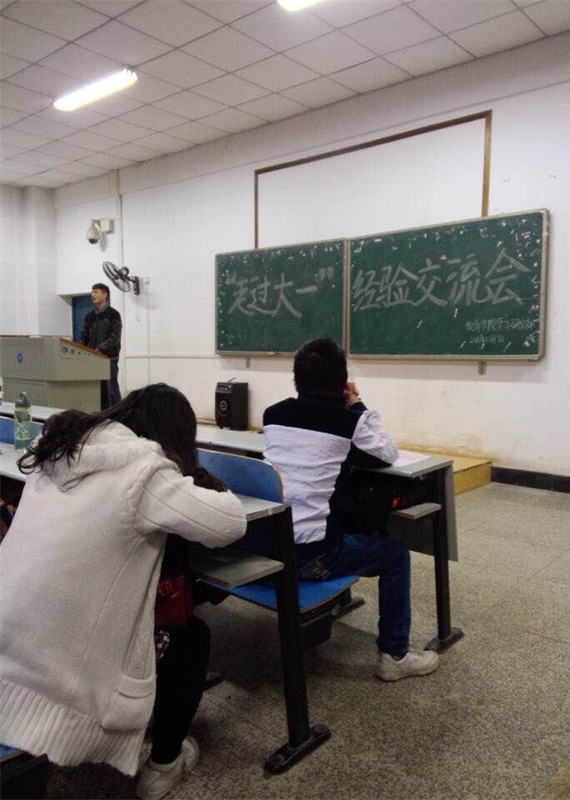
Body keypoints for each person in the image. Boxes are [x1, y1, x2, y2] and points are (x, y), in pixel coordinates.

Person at [0, 383, 247, 799]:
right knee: (189, 640)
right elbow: (231, 522)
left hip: (9, 631)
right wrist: (193, 475)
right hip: (55, 670)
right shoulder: (145, 474)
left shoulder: (58, 449)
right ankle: (163, 767)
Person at [263, 337, 439, 682]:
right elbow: (387, 453)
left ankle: (339, 602)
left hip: (268, 545)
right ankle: (395, 655)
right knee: (396, 554)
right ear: (342, 381)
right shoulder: (347, 421)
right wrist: (357, 404)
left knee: (341, 512)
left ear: (296, 377)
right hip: (311, 557)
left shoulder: (273, 415)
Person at [80, 282, 122, 409]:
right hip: (93, 358)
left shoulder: (113, 314)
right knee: (97, 390)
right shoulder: (89, 316)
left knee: (111, 389)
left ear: (105, 295)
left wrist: (101, 349)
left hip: (109, 358)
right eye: (92, 292)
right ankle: (101, 415)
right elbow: (84, 335)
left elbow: (115, 337)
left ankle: (118, 414)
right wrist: (82, 349)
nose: (92, 295)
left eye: (96, 292)